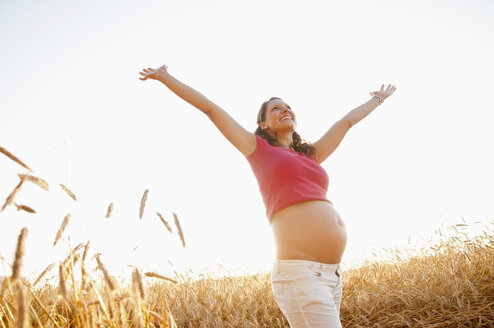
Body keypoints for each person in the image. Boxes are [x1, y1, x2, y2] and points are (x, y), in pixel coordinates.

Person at [139, 64, 396, 327]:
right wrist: (165, 77)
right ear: (263, 123)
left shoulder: (310, 155)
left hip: (332, 276)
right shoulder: (258, 149)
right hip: (300, 275)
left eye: (287, 106)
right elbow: (211, 109)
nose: (285, 109)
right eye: (276, 108)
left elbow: (346, 123)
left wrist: (377, 99)